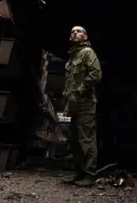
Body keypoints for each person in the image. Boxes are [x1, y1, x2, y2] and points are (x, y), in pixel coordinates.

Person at [61, 26, 102, 187]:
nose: (74, 33)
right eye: (72, 31)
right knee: (75, 140)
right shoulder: (73, 56)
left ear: (85, 36)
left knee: (86, 139)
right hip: (74, 105)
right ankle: (78, 173)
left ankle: (89, 175)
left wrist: (80, 90)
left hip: (85, 103)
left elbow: (96, 74)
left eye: (78, 31)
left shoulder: (87, 52)